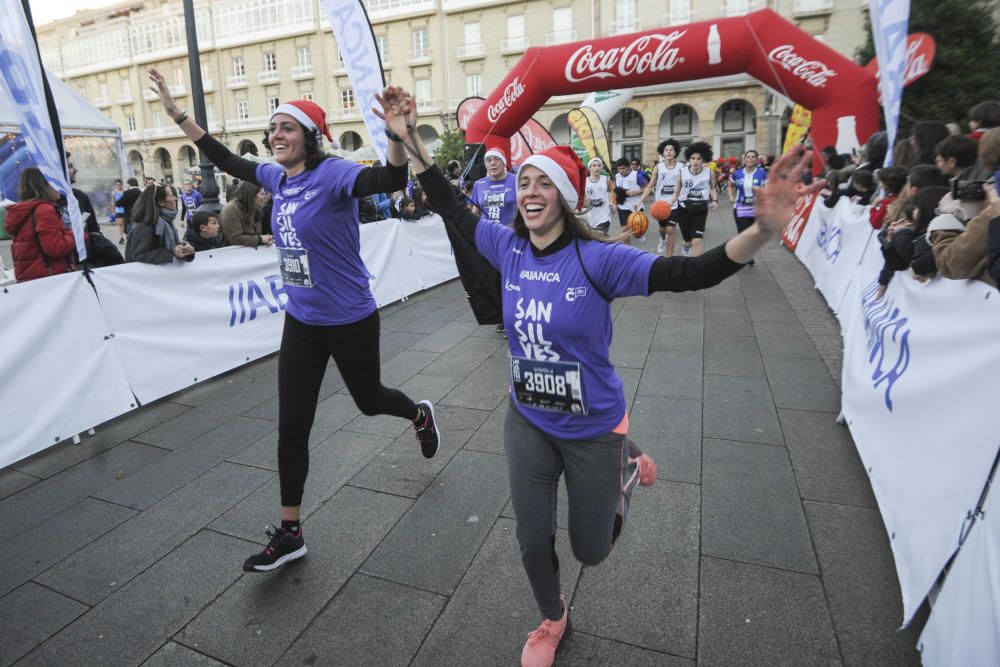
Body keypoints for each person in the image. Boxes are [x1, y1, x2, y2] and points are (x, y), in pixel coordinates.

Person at [387, 86, 822, 667]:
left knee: (590, 548)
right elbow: (448, 202)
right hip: (529, 417)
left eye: (544, 183)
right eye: (524, 183)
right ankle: (552, 616)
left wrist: (761, 233)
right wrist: (409, 136)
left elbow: (687, 272)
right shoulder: (507, 246)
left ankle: (622, 465)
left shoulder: (599, 260)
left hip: (592, 425)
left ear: (565, 198)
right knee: (529, 535)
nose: (531, 192)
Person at [148, 68, 441, 573]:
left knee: (369, 401)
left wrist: (397, 137)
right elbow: (224, 157)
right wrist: (178, 115)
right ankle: (291, 532)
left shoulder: (334, 175)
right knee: (291, 425)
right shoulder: (275, 177)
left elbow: (387, 180)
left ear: (310, 136)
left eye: (286, 127)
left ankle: (418, 414)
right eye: (272, 129)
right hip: (302, 319)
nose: (274, 136)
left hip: (350, 317)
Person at [3, 167, 79, 282]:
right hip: (48, 277)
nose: (59, 188)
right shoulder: (44, 209)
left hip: (30, 277)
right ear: (44, 186)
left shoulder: (22, 210)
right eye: (54, 182)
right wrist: (77, 234)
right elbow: (55, 248)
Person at [125, 183, 195, 264]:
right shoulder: (144, 226)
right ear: (161, 202)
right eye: (171, 196)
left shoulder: (166, 221)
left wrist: (187, 250)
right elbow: (138, 255)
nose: (175, 198)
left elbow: (175, 246)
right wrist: (171, 252)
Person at [670, 142, 718, 257]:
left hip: (700, 209)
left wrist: (715, 200)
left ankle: (695, 268)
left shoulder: (709, 173)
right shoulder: (681, 173)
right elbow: (676, 193)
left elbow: (712, 188)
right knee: (688, 241)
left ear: (703, 159)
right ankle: (686, 246)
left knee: (696, 240)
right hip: (684, 209)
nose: (696, 161)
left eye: (699, 158)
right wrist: (669, 203)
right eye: (693, 158)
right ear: (689, 159)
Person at [639, 139, 684, 256]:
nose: (669, 152)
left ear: (676, 152)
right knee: (663, 229)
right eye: (666, 150)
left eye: (671, 150)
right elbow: (649, 187)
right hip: (660, 205)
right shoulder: (658, 167)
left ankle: (669, 258)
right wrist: (640, 200)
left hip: (674, 204)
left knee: (671, 229)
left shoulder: (681, 167)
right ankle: (663, 240)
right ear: (662, 153)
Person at [727, 149, 768, 266]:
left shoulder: (761, 173)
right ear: (744, 160)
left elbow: (766, 188)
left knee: (754, 234)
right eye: (748, 157)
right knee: (743, 233)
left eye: (752, 157)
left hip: (756, 209)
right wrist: (731, 196)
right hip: (740, 207)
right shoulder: (737, 173)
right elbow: (730, 186)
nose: (750, 159)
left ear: (756, 160)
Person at [471, 147, 517, 226]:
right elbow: (475, 213)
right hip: (487, 235)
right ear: (485, 165)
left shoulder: (516, 180)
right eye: (489, 160)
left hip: (511, 234)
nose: (492, 163)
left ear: (503, 163)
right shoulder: (479, 184)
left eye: (496, 159)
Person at [220, 181, 273, 247]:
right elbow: (234, 239)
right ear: (252, 194)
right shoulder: (230, 209)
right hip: (233, 254)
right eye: (262, 194)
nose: (264, 197)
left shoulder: (255, 208)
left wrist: (266, 239)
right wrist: (260, 239)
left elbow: (257, 234)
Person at [613, 157, 644, 244]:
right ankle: (628, 248)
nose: (621, 171)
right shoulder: (617, 176)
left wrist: (637, 192)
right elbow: (615, 191)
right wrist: (615, 203)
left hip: (636, 205)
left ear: (628, 167)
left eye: (623, 168)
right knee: (625, 229)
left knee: (637, 228)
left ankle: (640, 233)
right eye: (619, 169)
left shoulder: (637, 175)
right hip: (623, 206)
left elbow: (647, 188)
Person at [584, 157, 614, 236]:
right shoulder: (585, 181)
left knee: (599, 236)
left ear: (601, 167)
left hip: (604, 216)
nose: (596, 168)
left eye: (598, 165)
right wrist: (585, 201)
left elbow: (611, 191)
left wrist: (612, 202)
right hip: (590, 217)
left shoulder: (606, 179)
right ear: (589, 168)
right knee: (594, 239)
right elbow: (582, 197)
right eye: (594, 166)